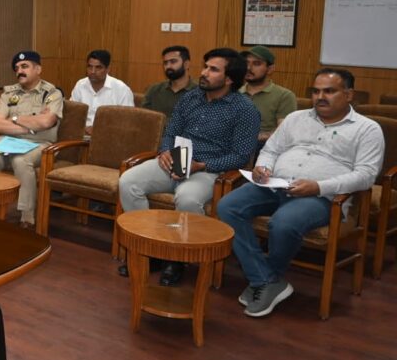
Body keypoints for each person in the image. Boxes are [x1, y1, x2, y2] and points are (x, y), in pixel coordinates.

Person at [217, 68, 383, 318]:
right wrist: (264, 167)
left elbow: (366, 175)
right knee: (227, 206)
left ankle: (264, 280)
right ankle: (266, 280)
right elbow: (271, 150)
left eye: (329, 91)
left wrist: (319, 186)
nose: (320, 97)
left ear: (349, 95)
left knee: (283, 223)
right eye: (316, 91)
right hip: (275, 185)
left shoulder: (367, 129)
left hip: (320, 197)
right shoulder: (296, 118)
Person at [118, 48, 261, 285]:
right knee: (128, 181)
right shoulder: (191, 98)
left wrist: (202, 165)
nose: (204, 73)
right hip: (174, 160)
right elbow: (171, 131)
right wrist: (165, 152)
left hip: (208, 169)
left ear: (229, 79)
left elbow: (241, 156)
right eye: (205, 66)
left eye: (213, 69)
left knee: (187, 199)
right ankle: (149, 250)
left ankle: (177, 259)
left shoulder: (244, 110)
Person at [0, 50, 63, 228]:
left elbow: (47, 121)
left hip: (40, 144)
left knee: (21, 161)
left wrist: (14, 119)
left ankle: (27, 217)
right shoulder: (8, 94)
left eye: (24, 66)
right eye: (17, 68)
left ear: (38, 69)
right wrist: (31, 127)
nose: (20, 71)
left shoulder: (52, 94)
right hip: (9, 141)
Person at [239, 45, 297, 145]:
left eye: (256, 63)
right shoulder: (234, 92)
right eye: (246, 63)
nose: (248, 68)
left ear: (270, 69)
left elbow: (284, 132)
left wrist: (253, 137)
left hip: (265, 145)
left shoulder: (284, 95)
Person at [70, 49, 134, 135]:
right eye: (90, 67)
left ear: (108, 69)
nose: (92, 71)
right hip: (82, 134)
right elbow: (72, 114)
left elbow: (128, 120)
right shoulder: (80, 85)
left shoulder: (121, 89)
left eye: (98, 67)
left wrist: (100, 129)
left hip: (110, 135)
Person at [142, 45, 197, 118]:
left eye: (173, 61)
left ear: (186, 64)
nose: (168, 66)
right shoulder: (154, 90)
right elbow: (143, 119)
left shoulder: (200, 92)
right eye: (165, 63)